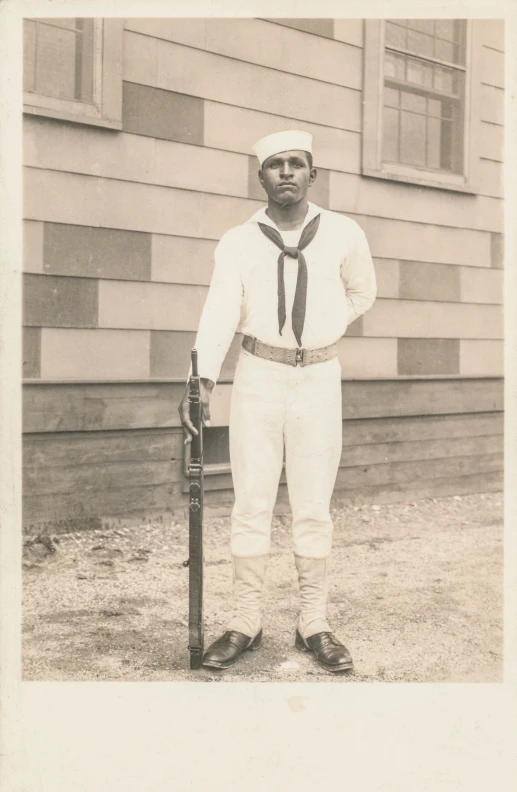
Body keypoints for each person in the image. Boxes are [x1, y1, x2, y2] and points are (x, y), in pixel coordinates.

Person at [179, 130, 377, 673]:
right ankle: (246, 619)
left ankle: (313, 621)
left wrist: (327, 325)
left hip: (318, 377)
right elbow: (219, 313)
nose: (285, 172)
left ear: (313, 174)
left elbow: (363, 292)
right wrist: (200, 384)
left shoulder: (343, 233)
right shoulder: (238, 242)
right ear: (260, 176)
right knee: (252, 502)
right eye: (274, 165)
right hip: (259, 376)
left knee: (313, 505)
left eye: (296, 163)